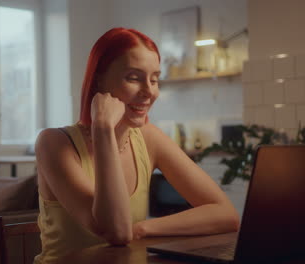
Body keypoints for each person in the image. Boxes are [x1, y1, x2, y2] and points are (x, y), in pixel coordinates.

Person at [34, 27, 240, 263]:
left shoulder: (149, 137)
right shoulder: (53, 143)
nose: (149, 92)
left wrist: (142, 229)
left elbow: (226, 214)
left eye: (154, 79)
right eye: (133, 77)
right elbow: (117, 232)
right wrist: (103, 129)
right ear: (99, 78)